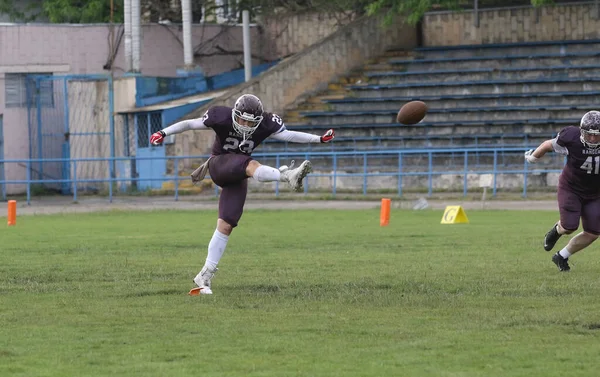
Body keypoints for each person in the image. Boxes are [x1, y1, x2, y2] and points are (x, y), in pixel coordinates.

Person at [150, 94, 335, 294]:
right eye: (242, 119)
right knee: (251, 164)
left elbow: (289, 135)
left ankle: (204, 276)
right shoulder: (220, 116)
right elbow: (189, 124)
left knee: (227, 224)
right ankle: (287, 176)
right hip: (219, 164)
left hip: (238, 173)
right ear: (235, 114)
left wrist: (319, 139)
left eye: (250, 121)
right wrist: (163, 132)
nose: (245, 125)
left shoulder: (266, 122)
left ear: (258, 120)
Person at [524, 110, 600, 272]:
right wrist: (533, 157)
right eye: (589, 134)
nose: (593, 138)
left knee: (593, 232)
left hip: (595, 193)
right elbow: (547, 145)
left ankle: (561, 256)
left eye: (597, 135)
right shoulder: (571, 137)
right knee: (569, 226)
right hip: (571, 188)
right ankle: (556, 231)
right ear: (582, 132)